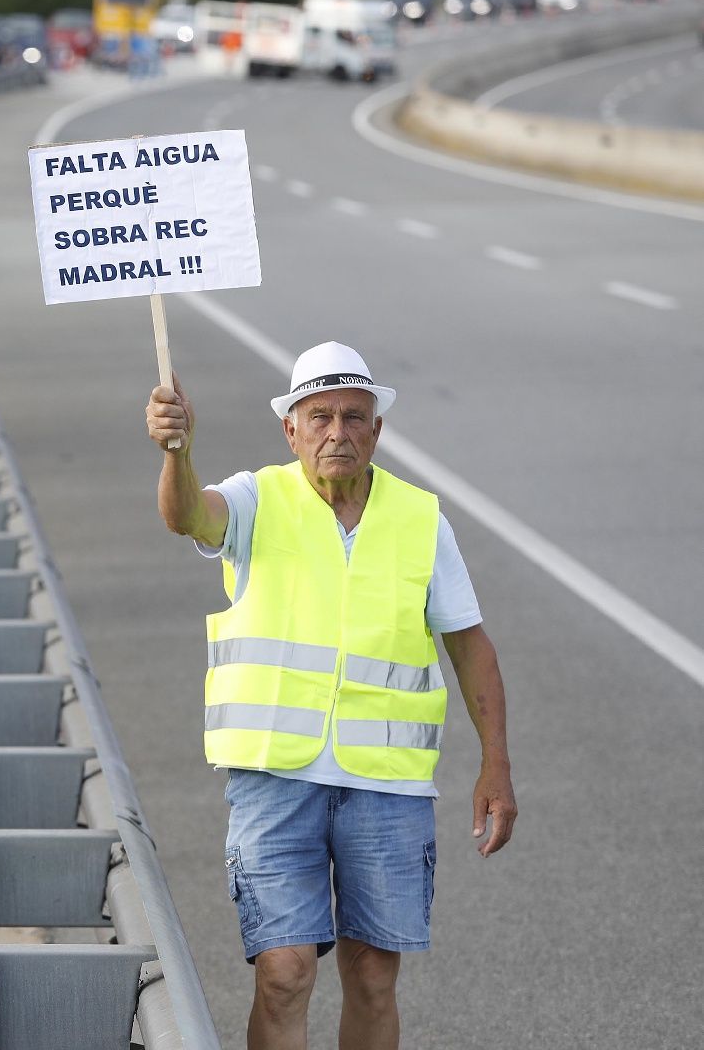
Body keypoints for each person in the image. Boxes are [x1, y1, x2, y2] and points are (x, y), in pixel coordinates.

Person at [144, 341, 516, 1050]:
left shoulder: (420, 520)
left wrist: (495, 763)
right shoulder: (259, 498)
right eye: (320, 417)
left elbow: (471, 644)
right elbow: (188, 515)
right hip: (276, 775)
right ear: (292, 429)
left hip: (387, 784)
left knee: (374, 974)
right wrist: (176, 451)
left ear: (377, 430)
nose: (337, 431)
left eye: (353, 416)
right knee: (284, 971)